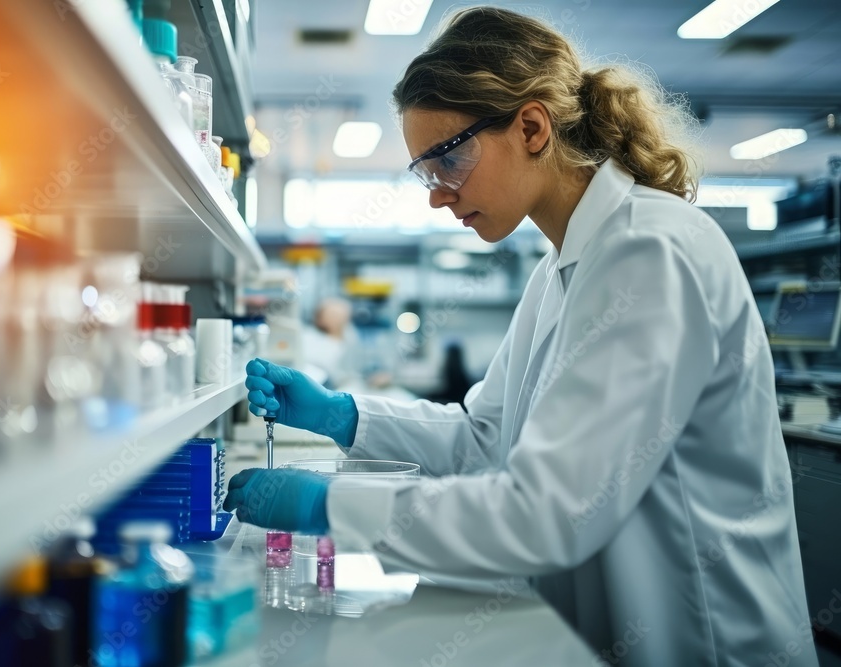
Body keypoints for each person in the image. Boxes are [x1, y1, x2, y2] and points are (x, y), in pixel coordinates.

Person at [224, 7, 814, 666]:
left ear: (531, 127)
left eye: (449, 157)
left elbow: (548, 512)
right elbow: (486, 438)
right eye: (425, 170)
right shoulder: (560, 269)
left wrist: (333, 505)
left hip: (706, 639)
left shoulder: (652, 252)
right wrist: (345, 414)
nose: (437, 195)